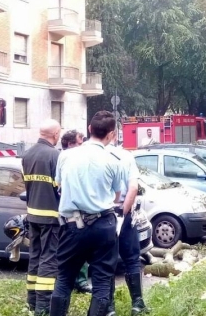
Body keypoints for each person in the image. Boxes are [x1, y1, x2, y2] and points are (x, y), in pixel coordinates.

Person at [50, 111, 131, 316]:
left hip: (72, 225)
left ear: (89, 129)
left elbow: (59, 185)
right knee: (102, 282)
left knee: (65, 278)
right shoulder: (114, 160)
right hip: (103, 225)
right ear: (111, 134)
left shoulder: (66, 155)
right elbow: (116, 196)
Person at [21, 120, 63, 316]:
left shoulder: (27, 155)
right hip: (51, 216)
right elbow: (60, 188)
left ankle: (31, 300)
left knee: (35, 256)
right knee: (49, 258)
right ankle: (43, 306)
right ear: (54, 134)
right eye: (59, 133)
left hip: (32, 215)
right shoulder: (55, 155)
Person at [106, 143, 149, 315]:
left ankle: (109, 308)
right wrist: (122, 214)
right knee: (132, 258)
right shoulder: (124, 156)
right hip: (123, 214)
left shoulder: (87, 154)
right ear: (112, 134)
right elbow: (133, 187)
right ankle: (137, 304)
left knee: (105, 262)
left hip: (102, 216)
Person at [59, 129, 94, 295]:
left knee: (79, 251)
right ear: (70, 144)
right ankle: (77, 281)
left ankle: (76, 281)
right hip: (71, 215)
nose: (83, 145)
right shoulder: (65, 158)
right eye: (80, 143)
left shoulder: (80, 158)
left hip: (76, 215)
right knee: (74, 251)